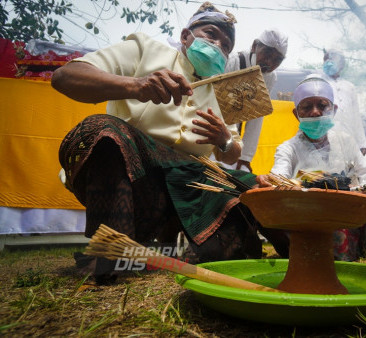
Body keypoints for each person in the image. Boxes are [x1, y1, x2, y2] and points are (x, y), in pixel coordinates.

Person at [51, 2, 268, 281]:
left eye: (226, 45)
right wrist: (136, 86)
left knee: (251, 191)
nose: (217, 45)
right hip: (134, 180)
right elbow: (65, 77)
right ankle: (112, 254)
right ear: (185, 36)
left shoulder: (224, 90)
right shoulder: (145, 49)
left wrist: (225, 139)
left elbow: (231, 153)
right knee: (102, 128)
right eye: (211, 34)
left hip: (191, 190)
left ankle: (172, 251)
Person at [256, 76, 366, 261]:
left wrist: (356, 192)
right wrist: (271, 181)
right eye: (307, 107)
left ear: (334, 110)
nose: (315, 112)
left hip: (348, 210)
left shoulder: (346, 141)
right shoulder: (288, 147)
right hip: (309, 215)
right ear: (296, 113)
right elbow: (279, 175)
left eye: (322, 105)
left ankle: (362, 241)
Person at [223, 29, 288, 172]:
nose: (270, 62)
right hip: (214, 133)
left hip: (232, 141)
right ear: (254, 46)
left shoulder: (270, 77)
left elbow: (256, 117)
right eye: (267, 53)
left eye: (277, 60)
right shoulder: (232, 62)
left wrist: (245, 158)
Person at [321, 49, 366, 154]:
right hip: (324, 138)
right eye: (326, 59)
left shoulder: (349, 86)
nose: (328, 62)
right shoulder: (317, 81)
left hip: (348, 137)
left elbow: (356, 116)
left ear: (341, 65)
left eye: (332, 59)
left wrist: (362, 143)